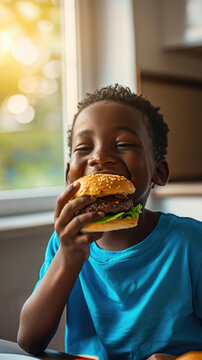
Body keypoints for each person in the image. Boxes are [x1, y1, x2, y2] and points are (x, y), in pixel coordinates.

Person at [17, 84, 202, 360]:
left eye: (123, 144)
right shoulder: (66, 241)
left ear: (158, 172)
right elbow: (29, 341)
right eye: (84, 147)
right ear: (70, 176)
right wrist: (68, 258)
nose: (99, 157)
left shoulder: (189, 241)